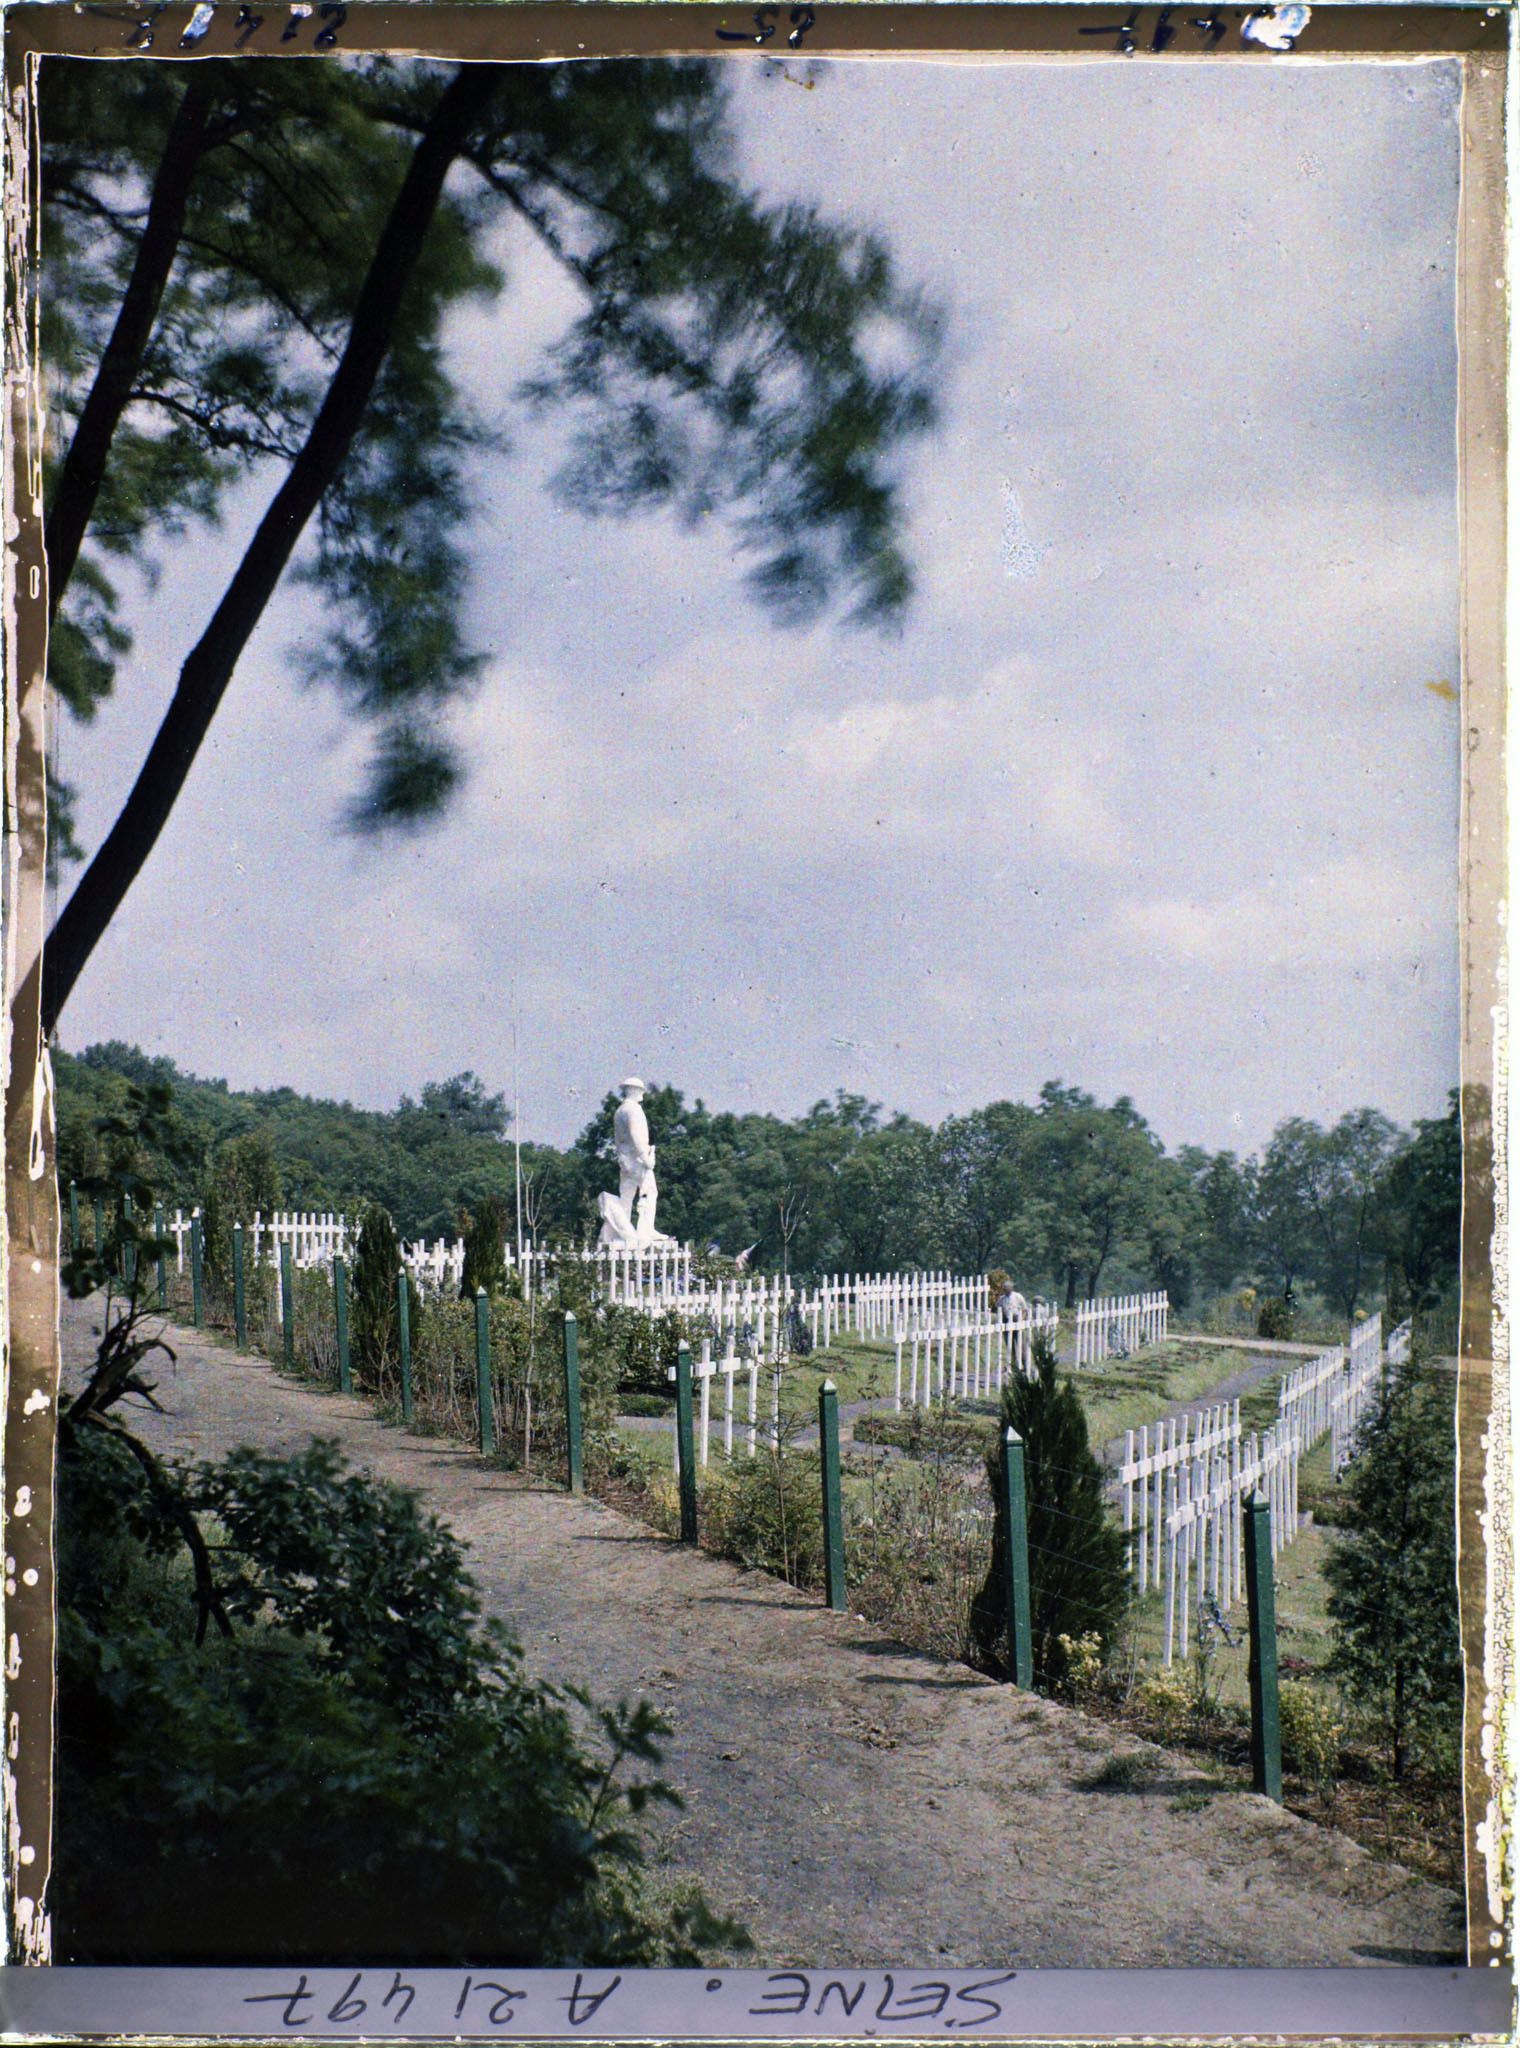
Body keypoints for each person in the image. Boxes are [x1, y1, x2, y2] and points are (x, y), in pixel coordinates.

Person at [612, 1076, 659, 1243]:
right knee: (649, 1191)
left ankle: (622, 1231)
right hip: (638, 1159)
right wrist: (646, 1158)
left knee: (626, 1195)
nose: (643, 1094)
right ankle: (645, 1230)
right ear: (634, 1090)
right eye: (641, 1090)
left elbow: (618, 1139)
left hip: (625, 1160)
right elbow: (635, 1135)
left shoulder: (619, 1111)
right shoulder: (633, 1109)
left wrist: (621, 1157)